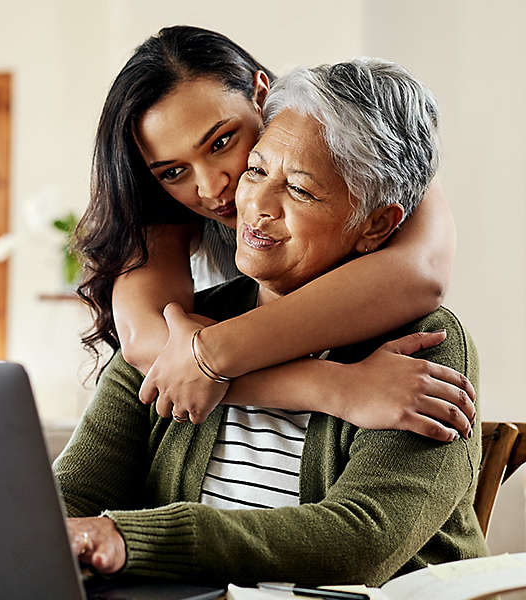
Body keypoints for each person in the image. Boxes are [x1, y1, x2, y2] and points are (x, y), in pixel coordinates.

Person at [56, 58, 488, 587]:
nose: (250, 204)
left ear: (376, 224)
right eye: (256, 171)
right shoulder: (182, 331)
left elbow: (358, 543)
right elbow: (66, 497)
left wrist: (130, 538)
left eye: (301, 190)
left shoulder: (427, 344)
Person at [75, 26, 472, 442]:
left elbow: (419, 274)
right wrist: (333, 387)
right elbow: (149, 343)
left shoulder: (359, 140)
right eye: (174, 172)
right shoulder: (161, 210)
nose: (211, 188)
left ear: (260, 95)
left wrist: (212, 354)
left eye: (221, 142)